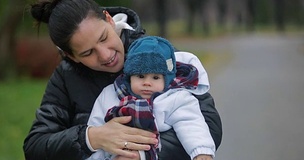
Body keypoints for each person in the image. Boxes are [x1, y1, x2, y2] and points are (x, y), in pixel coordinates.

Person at [24, 0, 222, 160]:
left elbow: (209, 124)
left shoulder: (154, 53)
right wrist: (91, 137)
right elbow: (35, 147)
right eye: (88, 52)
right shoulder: (65, 77)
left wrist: (140, 153)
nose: (105, 55)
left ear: (109, 20)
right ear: (71, 56)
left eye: (103, 38)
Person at [87, 36, 215, 160]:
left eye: (155, 77)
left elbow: (190, 122)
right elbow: (96, 127)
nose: (147, 83)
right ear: (129, 76)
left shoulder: (175, 99)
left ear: (166, 80)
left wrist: (201, 150)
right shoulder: (110, 95)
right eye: (140, 76)